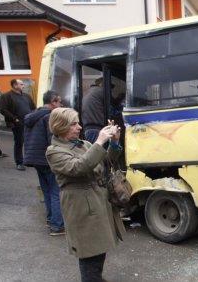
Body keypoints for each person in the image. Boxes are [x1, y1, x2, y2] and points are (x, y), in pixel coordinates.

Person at [46, 108, 125, 282]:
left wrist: (113, 143)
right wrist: (99, 141)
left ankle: (96, 277)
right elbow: (79, 167)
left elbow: (104, 162)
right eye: (74, 124)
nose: (80, 127)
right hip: (81, 206)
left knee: (100, 247)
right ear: (61, 126)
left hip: (98, 201)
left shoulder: (83, 144)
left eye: (78, 122)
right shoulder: (54, 151)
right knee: (89, 251)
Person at [24, 91, 65, 236]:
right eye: (59, 102)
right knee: (56, 191)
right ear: (53, 102)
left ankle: (51, 219)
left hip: (35, 159)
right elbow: (52, 141)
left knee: (47, 190)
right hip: (47, 159)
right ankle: (57, 225)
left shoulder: (32, 116)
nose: (61, 104)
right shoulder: (49, 117)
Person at [0, 79, 35, 171]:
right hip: (17, 123)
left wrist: (33, 116)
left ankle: (29, 160)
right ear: (15, 85)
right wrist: (14, 119)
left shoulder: (26, 96)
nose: (23, 85)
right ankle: (19, 162)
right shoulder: (6, 96)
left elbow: (33, 107)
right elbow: (3, 110)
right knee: (19, 142)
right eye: (21, 84)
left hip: (29, 122)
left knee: (29, 141)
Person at [81, 78, 106, 143]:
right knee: (97, 151)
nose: (110, 89)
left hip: (87, 129)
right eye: (110, 86)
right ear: (101, 84)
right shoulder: (101, 91)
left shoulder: (88, 91)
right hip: (96, 128)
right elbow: (113, 105)